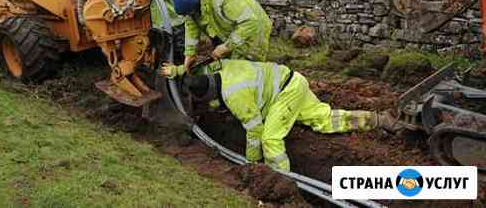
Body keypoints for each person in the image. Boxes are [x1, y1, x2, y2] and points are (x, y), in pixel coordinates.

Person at [160, 59, 399, 172]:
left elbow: (255, 130)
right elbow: (197, 67)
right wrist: (178, 71)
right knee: (325, 119)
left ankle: (283, 180)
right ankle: (380, 120)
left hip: (285, 94)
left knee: (270, 140)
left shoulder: (235, 97)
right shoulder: (221, 67)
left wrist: (253, 164)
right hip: (294, 81)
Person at [172, 0, 273, 74]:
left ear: (197, 4)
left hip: (254, 26)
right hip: (230, 28)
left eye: (191, 12)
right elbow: (191, 27)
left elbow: (250, 22)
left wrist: (226, 46)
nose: (189, 15)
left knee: (250, 66)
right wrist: (190, 54)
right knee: (231, 65)